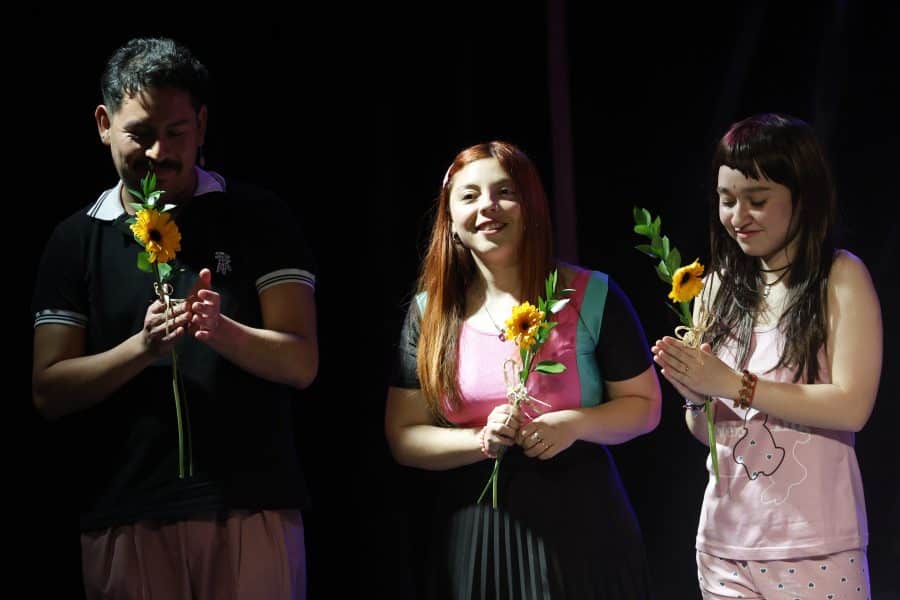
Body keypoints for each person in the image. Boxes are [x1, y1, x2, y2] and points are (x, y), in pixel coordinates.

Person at [31, 37, 318, 599]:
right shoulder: (75, 239)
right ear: (104, 124)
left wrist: (222, 331)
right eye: (140, 133)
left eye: (176, 132)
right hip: (125, 509)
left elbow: (301, 362)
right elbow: (48, 390)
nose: (159, 151)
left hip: (250, 501)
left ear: (202, 126)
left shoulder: (258, 216)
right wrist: (140, 348)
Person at [384, 140, 661, 599]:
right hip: (477, 535)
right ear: (451, 221)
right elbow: (403, 435)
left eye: (504, 192)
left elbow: (645, 407)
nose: (487, 206)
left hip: (584, 528)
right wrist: (480, 440)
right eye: (469, 196)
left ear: (530, 207)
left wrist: (573, 423)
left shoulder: (592, 294)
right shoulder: (429, 313)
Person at [651, 113, 881, 598]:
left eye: (757, 201)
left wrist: (733, 384)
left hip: (813, 544)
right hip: (724, 543)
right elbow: (711, 434)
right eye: (727, 200)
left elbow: (852, 406)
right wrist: (694, 396)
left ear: (803, 196)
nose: (738, 217)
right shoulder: (715, 288)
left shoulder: (839, 276)